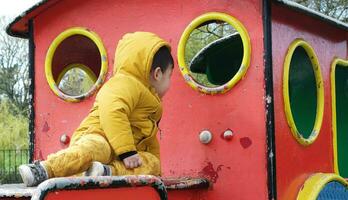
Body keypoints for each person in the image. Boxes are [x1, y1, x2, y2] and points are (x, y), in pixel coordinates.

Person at [18, 32, 174, 187]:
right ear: (158, 74)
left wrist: (155, 166)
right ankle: (45, 169)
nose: (170, 83)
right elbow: (113, 111)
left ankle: (106, 172)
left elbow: (149, 140)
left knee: (153, 164)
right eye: (169, 76)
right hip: (98, 135)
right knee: (98, 149)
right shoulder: (124, 83)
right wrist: (127, 151)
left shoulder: (153, 104)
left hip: (122, 155)